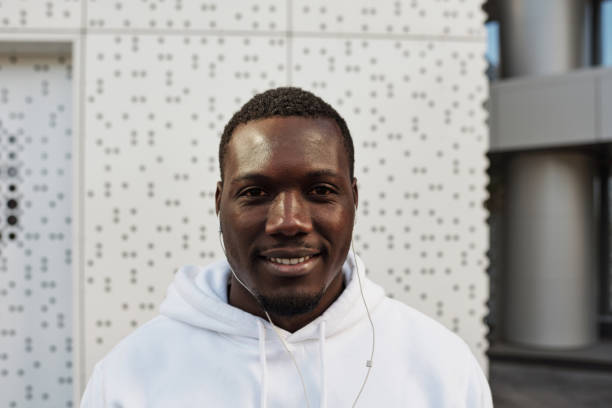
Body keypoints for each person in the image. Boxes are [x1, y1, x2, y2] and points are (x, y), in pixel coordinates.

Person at [81, 87, 493, 407]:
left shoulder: (441, 368)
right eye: (256, 192)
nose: (289, 221)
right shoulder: (130, 376)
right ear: (219, 204)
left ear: (354, 200)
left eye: (320, 190)